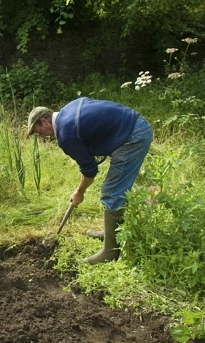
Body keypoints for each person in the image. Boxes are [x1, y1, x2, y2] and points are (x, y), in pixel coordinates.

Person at [26, 98, 152, 264]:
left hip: (133, 136)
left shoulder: (66, 135)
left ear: (44, 121)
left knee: (112, 191)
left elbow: (90, 170)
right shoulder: (68, 108)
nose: (41, 136)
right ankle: (111, 234)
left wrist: (80, 192)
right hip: (135, 126)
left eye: (39, 131)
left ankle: (111, 251)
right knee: (114, 189)